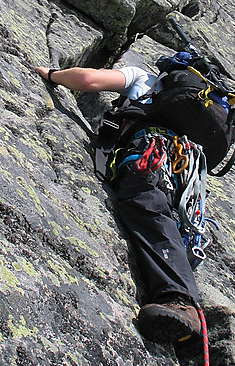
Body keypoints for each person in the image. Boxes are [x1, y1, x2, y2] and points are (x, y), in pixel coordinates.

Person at [35, 63, 203, 344]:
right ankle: (182, 303)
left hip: (149, 152)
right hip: (183, 168)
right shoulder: (193, 103)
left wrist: (52, 74)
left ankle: (180, 301)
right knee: (168, 219)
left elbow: (89, 78)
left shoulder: (143, 76)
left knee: (146, 206)